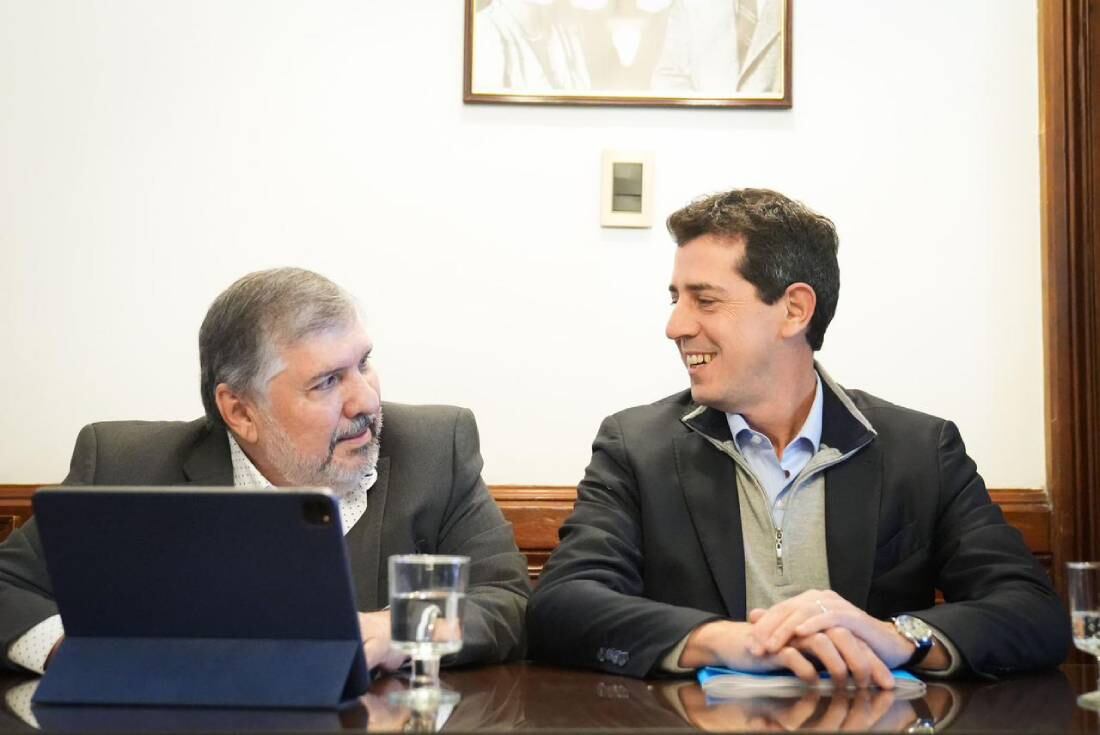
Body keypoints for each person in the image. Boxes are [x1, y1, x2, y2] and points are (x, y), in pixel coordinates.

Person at [528, 188, 1070, 683]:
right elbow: (562, 605)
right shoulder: (635, 446)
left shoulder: (920, 449)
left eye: (705, 300)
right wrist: (725, 641)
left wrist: (898, 636)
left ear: (794, 310)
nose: (676, 326)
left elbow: (1032, 611)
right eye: (676, 298)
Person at [0, 267, 529, 674]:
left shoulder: (435, 449)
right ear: (241, 411)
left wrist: (405, 629)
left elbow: (509, 600)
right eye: (327, 382)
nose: (365, 400)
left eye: (363, 363)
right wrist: (78, 651)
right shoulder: (123, 464)